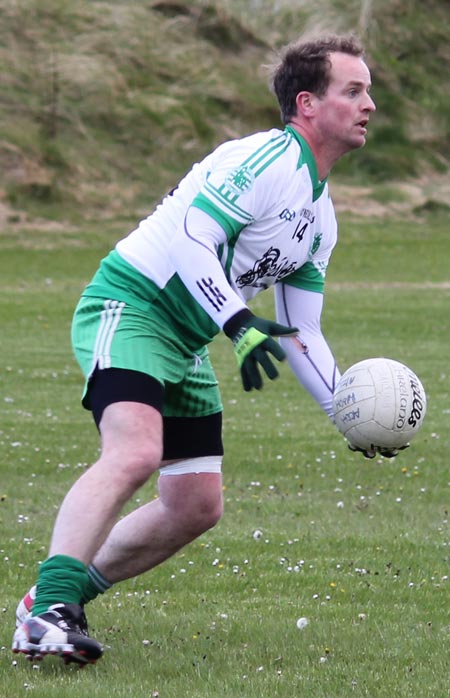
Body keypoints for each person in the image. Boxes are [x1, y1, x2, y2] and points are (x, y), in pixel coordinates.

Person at [12, 32, 388, 666]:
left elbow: (302, 330)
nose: (368, 104)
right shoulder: (268, 159)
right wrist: (238, 322)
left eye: (369, 91)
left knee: (195, 506)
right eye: (353, 91)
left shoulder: (320, 217)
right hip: (132, 304)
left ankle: (53, 599)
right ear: (306, 103)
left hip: (186, 338)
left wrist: (346, 414)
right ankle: (46, 615)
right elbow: (192, 234)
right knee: (135, 451)